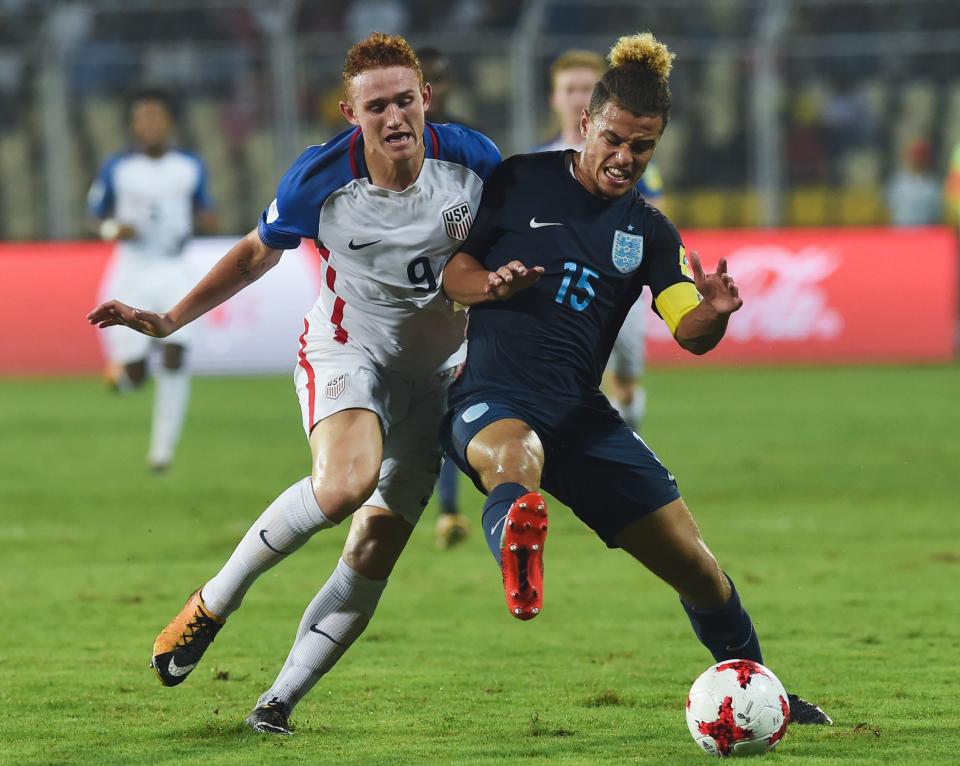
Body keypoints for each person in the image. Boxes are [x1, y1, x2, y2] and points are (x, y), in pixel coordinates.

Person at [88, 33, 500, 735]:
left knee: (374, 552)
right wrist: (171, 319)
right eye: (377, 106)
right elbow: (254, 255)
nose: (395, 117)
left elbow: (510, 254)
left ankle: (277, 703)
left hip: (436, 375)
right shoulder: (320, 178)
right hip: (347, 348)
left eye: (406, 100)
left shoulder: (475, 164)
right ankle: (214, 601)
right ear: (350, 112)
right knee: (344, 483)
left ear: (426, 98)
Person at [439, 32, 832, 726]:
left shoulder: (649, 232)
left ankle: (759, 688)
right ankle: (518, 551)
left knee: (698, 568)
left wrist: (711, 312)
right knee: (514, 458)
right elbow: (455, 273)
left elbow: (689, 331)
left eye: (642, 146)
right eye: (615, 139)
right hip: (494, 394)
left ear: (658, 144)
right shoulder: (519, 180)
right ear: (588, 122)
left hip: (583, 418)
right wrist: (492, 285)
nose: (625, 158)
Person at [87, 87, 217, 473]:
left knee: (176, 351)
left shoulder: (189, 166)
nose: (150, 124)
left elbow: (206, 208)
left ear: (168, 121)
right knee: (137, 371)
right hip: (132, 269)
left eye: (156, 116)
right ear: (133, 124)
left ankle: (161, 453)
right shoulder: (118, 168)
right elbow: (95, 215)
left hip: (174, 267)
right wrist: (113, 229)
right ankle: (123, 377)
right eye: (143, 118)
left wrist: (208, 220)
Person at [536, 49, 664, 431]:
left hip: (617, 287)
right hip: (558, 290)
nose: (577, 96)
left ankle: (630, 437)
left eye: (585, 88)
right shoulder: (539, 161)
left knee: (624, 379)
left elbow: (657, 217)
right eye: (569, 88)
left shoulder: (631, 159)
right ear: (555, 98)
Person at [418, 45, 473, 548]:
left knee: (450, 398)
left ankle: (450, 510)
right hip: (398, 298)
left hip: (453, 289)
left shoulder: (466, 146)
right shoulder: (380, 147)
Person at [885, 137, 942, 226]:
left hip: (925, 233)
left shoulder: (932, 185)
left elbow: (936, 213)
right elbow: (888, 209)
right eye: (915, 157)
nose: (917, 161)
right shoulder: (898, 182)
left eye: (921, 158)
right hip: (900, 232)